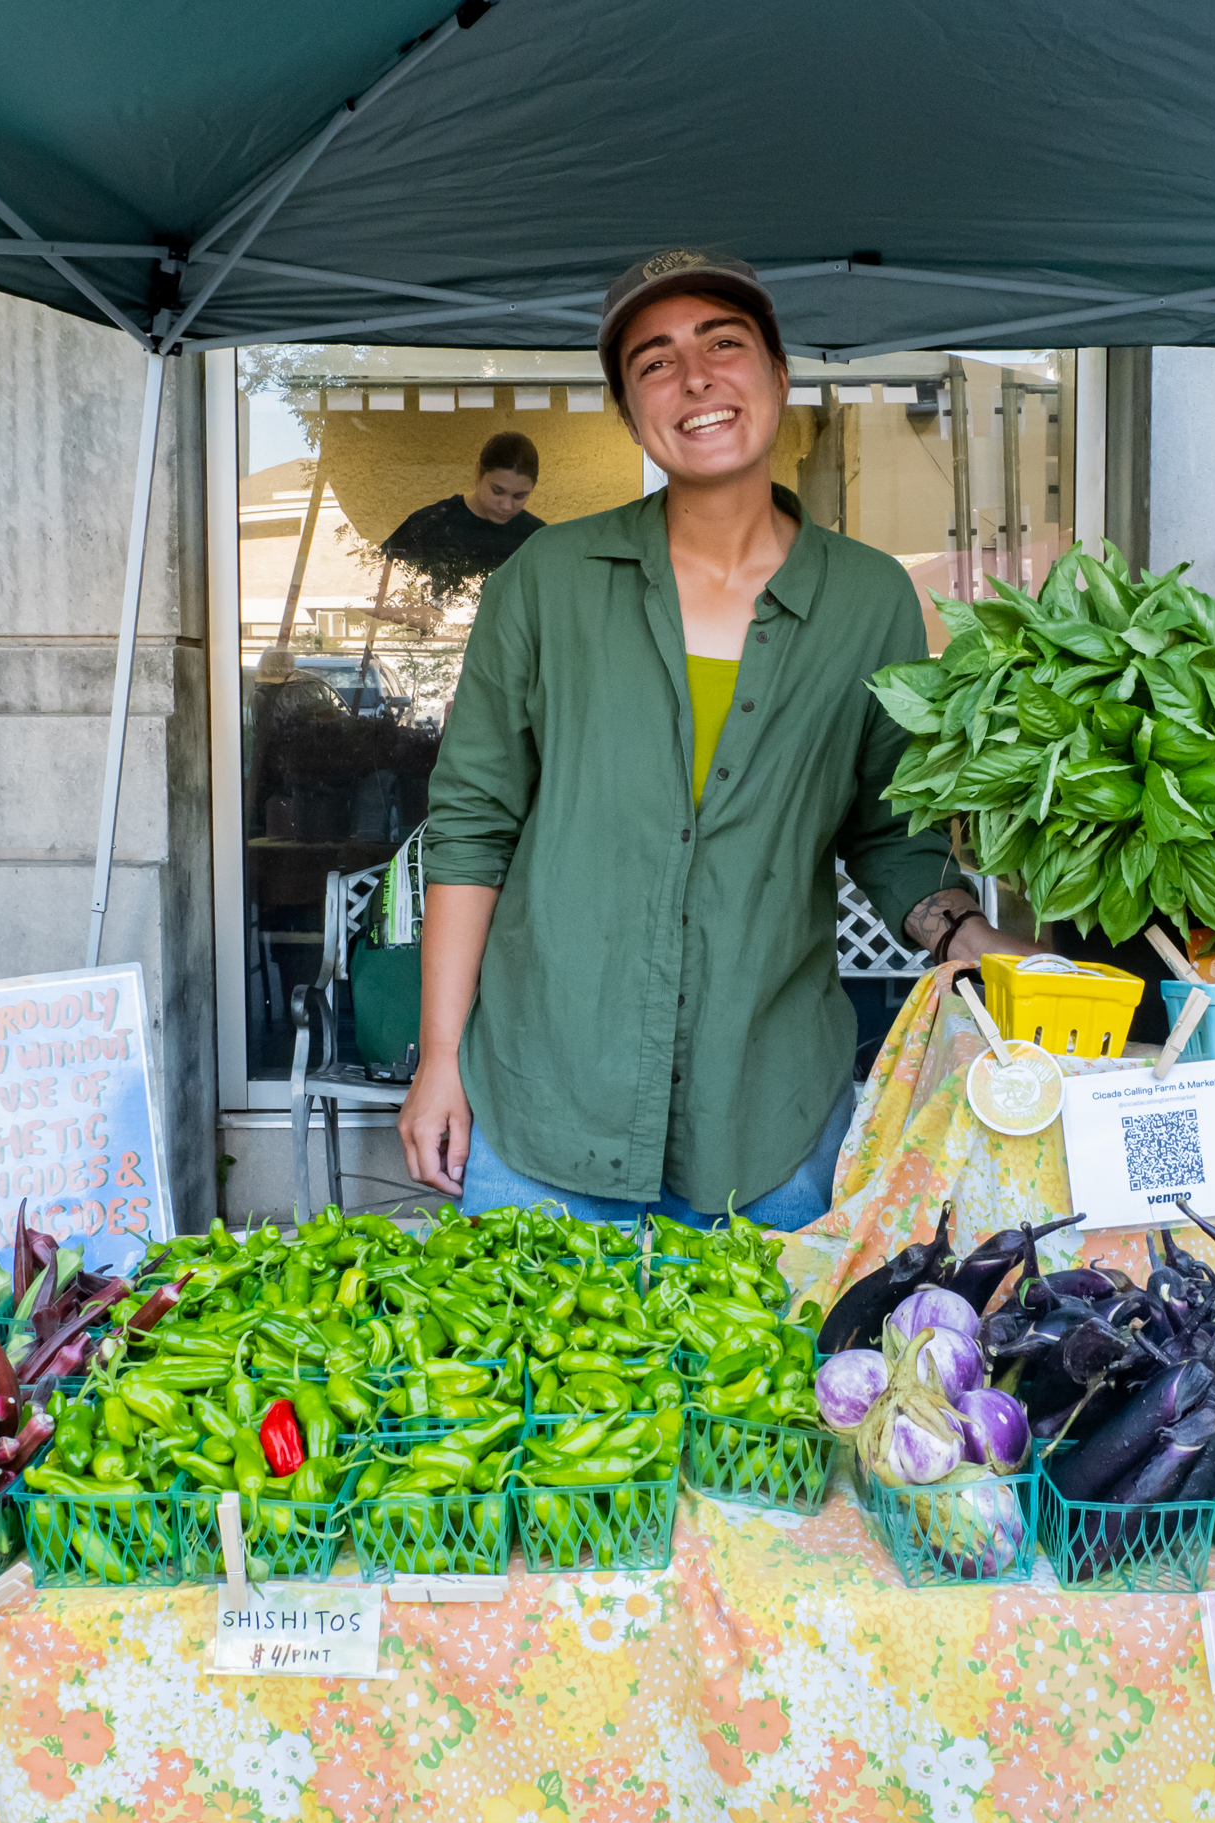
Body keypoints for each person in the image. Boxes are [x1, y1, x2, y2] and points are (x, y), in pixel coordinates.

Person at [400, 248, 1038, 1230]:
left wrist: (971, 936)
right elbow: (471, 824)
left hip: (770, 1122)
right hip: (543, 1105)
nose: (693, 377)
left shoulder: (867, 598)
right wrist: (440, 1057)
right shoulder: (546, 580)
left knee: (775, 1386)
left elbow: (887, 832)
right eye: (653, 361)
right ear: (629, 411)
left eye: (723, 344)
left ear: (778, 377)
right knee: (524, 1387)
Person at [377, 431, 545, 609]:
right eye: (497, 491)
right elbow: (382, 598)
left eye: (519, 496)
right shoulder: (428, 524)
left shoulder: (538, 538)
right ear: (478, 472)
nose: (506, 505)